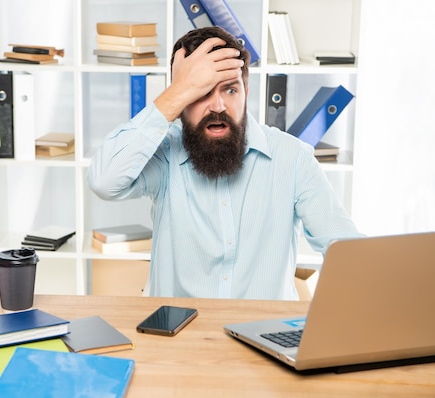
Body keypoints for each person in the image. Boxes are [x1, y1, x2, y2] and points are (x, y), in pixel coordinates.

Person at [87, 27, 363, 300]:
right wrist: (177, 92)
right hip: (178, 336)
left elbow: (346, 251)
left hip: (263, 336)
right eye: (200, 92)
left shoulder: (292, 158)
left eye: (230, 90)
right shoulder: (164, 154)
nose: (217, 106)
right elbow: (103, 182)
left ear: (246, 90)